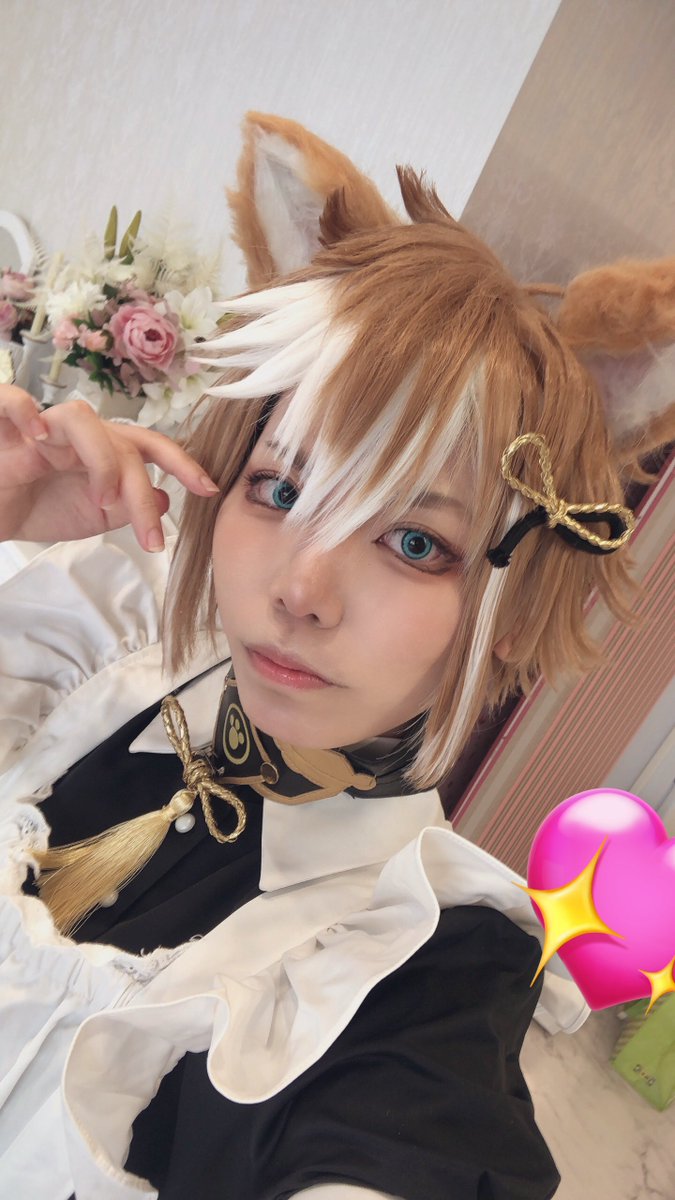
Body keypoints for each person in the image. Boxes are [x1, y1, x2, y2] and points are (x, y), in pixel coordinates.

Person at [0, 113, 673, 1200]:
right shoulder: (87, 639)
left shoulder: (426, 972)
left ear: (507, 614)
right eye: (280, 487)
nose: (299, 591)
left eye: (415, 543)